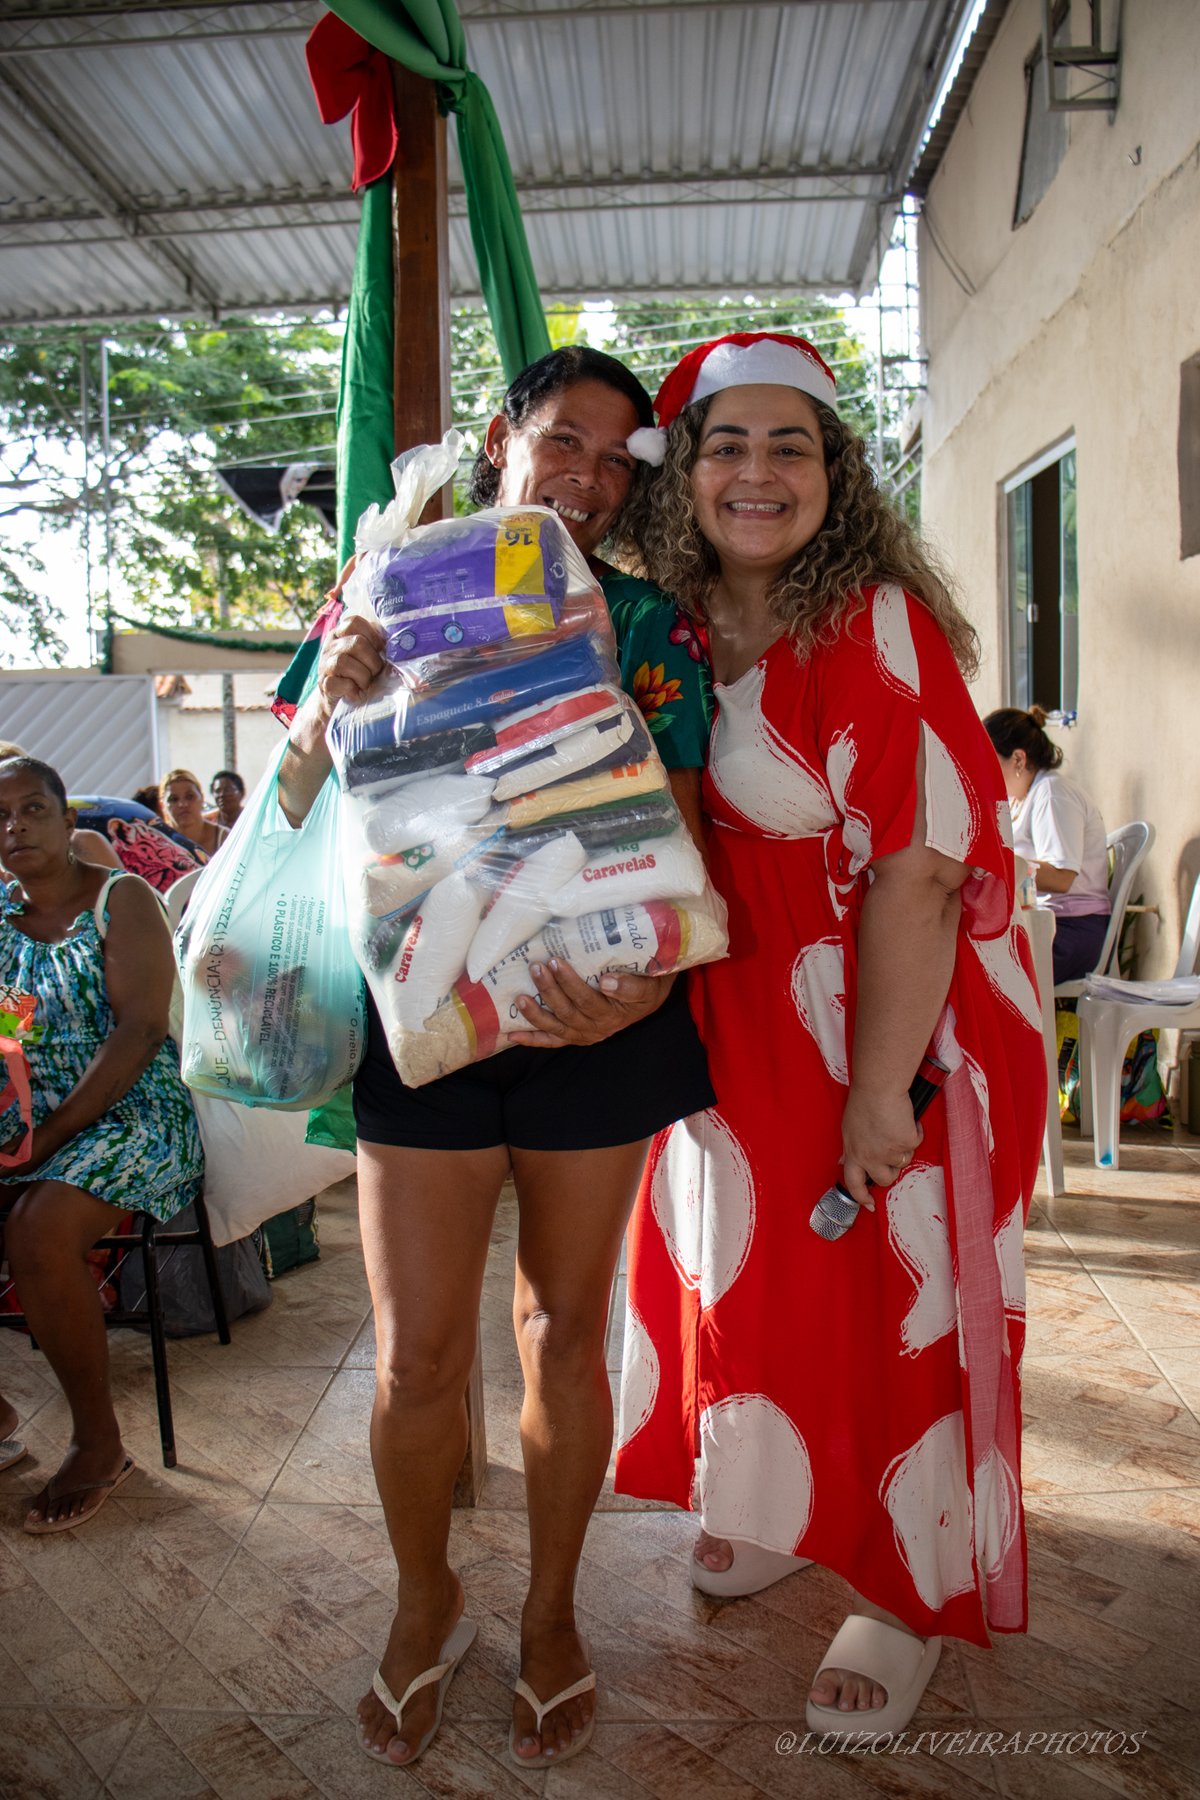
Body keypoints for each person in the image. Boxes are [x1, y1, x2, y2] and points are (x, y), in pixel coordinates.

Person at [277, 346, 715, 1770]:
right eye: (563, 442)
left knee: (565, 1334)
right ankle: (424, 1603)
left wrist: (651, 990)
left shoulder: (650, 621)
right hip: (428, 1020)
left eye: (615, 457)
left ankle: (548, 1614)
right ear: (501, 440)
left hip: (600, 1017)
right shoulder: (387, 582)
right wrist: (333, 700)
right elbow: (295, 802)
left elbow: (684, 825)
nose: (587, 476)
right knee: (413, 1364)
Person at [613, 332, 1045, 1740]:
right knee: (772, 1284)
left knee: (891, 1290)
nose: (755, 471)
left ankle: (910, 1590)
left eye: (788, 444)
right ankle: (785, 1503)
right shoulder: (671, 619)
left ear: (834, 473)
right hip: (740, 1014)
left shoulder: (869, 619)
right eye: (725, 444)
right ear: (685, 474)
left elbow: (921, 868)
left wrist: (881, 1090)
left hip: (888, 1010)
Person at [0, 755, 204, 1532]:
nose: (15, 826)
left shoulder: (123, 901)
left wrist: (43, 1137)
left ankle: (98, 1444)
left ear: (66, 819)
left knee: (38, 1228)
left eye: (32, 809)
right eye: (0, 816)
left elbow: (140, 1032)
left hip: (134, 1116)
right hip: (28, 1114)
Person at [983, 706, 1110, 984]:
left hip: (1072, 932)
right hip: (1049, 925)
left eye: (989, 761)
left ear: (1018, 758)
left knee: (984, 969)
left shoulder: (1052, 793)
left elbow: (1063, 877)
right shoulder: (1022, 800)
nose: (984, 772)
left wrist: (1002, 864)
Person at [159, 768, 227, 860]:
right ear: (163, 805)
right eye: (174, 799)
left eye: (190, 797)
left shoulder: (225, 838)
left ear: (202, 798)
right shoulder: (159, 842)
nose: (183, 804)